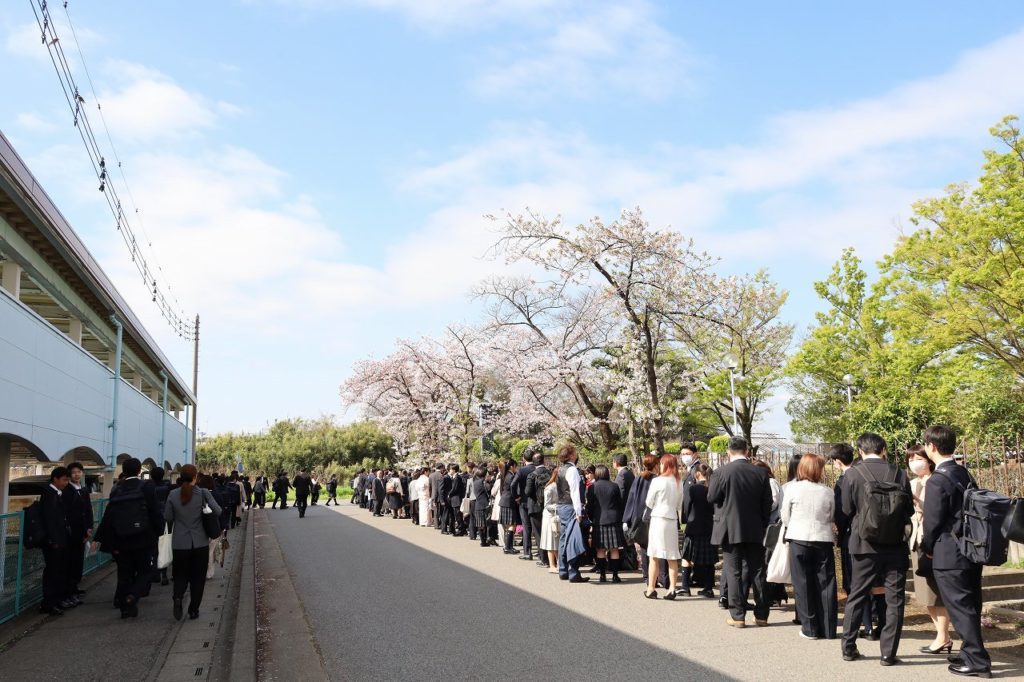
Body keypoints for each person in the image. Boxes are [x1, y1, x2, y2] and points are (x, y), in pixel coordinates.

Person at [921, 425, 992, 678]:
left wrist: (927, 549)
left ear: (931, 446)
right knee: (971, 603)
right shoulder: (964, 472)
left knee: (961, 607)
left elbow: (931, 522)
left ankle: (977, 661)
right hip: (971, 547)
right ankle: (970, 652)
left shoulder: (938, 479)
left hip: (948, 551)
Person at [840, 432, 913, 666]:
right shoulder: (900, 474)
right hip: (895, 544)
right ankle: (888, 654)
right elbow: (908, 510)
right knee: (895, 599)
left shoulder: (852, 474)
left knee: (857, 595)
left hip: (863, 544)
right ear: (884, 449)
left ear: (861, 451)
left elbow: (846, 510)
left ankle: (849, 647)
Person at [708, 437, 773, 627]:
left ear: (728, 451)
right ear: (747, 451)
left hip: (729, 527)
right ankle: (762, 615)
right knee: (759, 570)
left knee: (733, 571)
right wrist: (761, 521)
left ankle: (738, 615)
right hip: (755, 527)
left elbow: (712, 497)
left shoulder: (721, 472)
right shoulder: (760, 473)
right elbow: (767, 503)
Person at [94, 457, 162, 619]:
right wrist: (160, 531)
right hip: (143, 537)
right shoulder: (146, 487)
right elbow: (154, 511)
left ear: (124, 470)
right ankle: (132, 596)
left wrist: (101, 537)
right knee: (146, 570)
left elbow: (109, 514)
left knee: (125, 573)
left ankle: (125, 608)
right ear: (139, 470)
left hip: (120, 537)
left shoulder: (117, 488)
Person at [904, 444, 953, 655]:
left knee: (937, 593)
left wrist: (916, 499)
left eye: (918, 458)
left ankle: (942, 636)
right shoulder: (912, 483)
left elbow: (936, 512)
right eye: (910, 459)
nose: (914, 463)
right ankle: (943, 635)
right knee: (925, 594)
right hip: (916, 541)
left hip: (933, 542)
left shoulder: (937, 480)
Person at [782, 453, 838, 640]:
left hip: (798, 537)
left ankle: (810, 628)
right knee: (826, 584)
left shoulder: (792, 489)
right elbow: (832, 516)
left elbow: (785, 516)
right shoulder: (828, 491)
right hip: (823, 538)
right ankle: (829, 629)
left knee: (803, 584)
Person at [164, 464, 222, 621]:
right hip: (200, 542)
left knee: (180, 574)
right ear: (196, 477)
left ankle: (177, 597)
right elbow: (218, 511)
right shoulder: (203, 493)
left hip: (179, 543)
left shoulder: (173, 494)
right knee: (198, 578)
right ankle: (194, 609)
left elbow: (168, 517)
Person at [643, 454, 683, 599]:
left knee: (654, 555)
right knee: (672, 556)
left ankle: (651, 588)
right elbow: (680, 504)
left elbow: (649, 502)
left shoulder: (657, 481)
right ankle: (672, 588)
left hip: (658, 519)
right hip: (672, 519)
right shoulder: (679, 482)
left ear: (665, 465)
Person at [40, 466, 73, 615]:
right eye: (65, 480)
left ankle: (57, 599)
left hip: (60, 539)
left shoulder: (56, 493)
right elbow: (49, 520)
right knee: (53, 571)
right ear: (55, 479)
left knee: (59, 570)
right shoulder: (49, 494)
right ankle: (49, 602)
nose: (66, 483)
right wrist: (53, 540)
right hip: (54, 541)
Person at [624, 454, 661, 587]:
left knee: (645, 547)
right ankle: (659, 577)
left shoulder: (639, 478)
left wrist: (627, 518)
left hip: (639, 517)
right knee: (657, 547)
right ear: (656, 464)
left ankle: (647, 576)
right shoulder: (658, 479)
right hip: (654, 516)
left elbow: (631, 498)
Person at [554, 444, 589, 583]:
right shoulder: (572, 470)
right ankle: (573, 571)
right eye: (574, 452)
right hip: (570, 507)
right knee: (572, 538)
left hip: (561, 505)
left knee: (563, 538)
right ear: (570, 455)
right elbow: (574, 492)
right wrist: (578, 511)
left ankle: (562, 569)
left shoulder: (560, 469)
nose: (576, 454)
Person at [682, 463, 716, 598]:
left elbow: (687, 507)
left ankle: (685, 587)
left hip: (694, 526)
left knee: (687, 557)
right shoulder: (712, 488)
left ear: (697, 474)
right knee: (709, 559)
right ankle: (708, 588)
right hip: (709, 527)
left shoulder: (693, 489)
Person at [586, 465, 624, 583]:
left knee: (600, 550)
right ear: (607, 473)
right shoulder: (614, 486)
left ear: (597, 474)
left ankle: (602, 575)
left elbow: (590, 506)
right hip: (614, 520)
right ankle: (615, 575)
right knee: (614, 549)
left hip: (599, 520)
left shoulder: (592, 488)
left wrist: (592, 518)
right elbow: (619, 504)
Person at [63, 461, 94, 600]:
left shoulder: (83, 489)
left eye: (79, 472)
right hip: (72, 533)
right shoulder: (67, 490)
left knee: (78, 561)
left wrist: (89, 528)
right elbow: (69, 514)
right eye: (74, 472)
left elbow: (88, 510)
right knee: (71, 562)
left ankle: (74, 587)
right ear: (69, 474)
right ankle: (69, 591)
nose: (76, 475)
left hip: (82, 531)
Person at [524, 453, 551, 567]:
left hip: (534, 507)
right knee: (549, 533)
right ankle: (552, 558)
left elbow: (527, 492)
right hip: (548, 506)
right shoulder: (549, 472)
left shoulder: (531, 475)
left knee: (538, 533)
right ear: (543, 461)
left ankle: (543, 558)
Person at [512, 454, 537, 561]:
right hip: (536, 501)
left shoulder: (521, 471)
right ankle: (542, 553)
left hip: (523, 501)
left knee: (526, 527)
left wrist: (516, 497)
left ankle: (527, 552)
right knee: (537, 527)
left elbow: (513, 485)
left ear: (523, 459)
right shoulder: (537, 469)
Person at [149, 466, 172, 586]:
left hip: (151, 519)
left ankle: (155, 572)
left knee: (153, 547)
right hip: (165, 519)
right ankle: (164, 574)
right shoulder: (167, 487)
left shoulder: (148, 487)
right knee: (164, 546)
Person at [540, 468, 560, 573]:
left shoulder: (560, 486)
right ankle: (552, 565)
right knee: (550, 541)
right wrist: (558, 507)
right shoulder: (550, 487)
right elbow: (547, 505)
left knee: (557, 541)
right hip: (550, 516)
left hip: (557, 516)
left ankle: (559, 564)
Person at [498, 459, 520, 554]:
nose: (517, 468)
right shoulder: (511, 476)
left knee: (509, 525)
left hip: (504, 500)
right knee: (512, 524)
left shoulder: (505, 475)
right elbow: (513, 487)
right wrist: (516, 497)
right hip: (509, 501)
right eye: (516, 466)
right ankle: (508, 547)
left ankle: (508, 546)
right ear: (512, 466)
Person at [446, 464, 466, 536]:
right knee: (457, 515)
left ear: (454, 470)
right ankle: (462, 529)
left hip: (457, 499)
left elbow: (454, 488)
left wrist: (449, 494)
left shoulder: (457, 478)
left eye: (450, 469)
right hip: (455, 499)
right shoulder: (456, 477)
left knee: (458, 515)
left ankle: (461, 530)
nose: (449, 470)